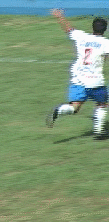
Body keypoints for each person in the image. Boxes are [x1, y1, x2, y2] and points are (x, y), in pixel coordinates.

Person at [46, 9, 109, 138]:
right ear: (105, 30)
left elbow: (68, 29)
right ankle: (98, 132)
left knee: (74, 108)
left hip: (78, 78)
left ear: (92, 27)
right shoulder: (105, 43)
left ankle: (59, 110)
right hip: (95, 80)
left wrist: (60, 16)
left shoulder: (81, 36)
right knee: (102, 103)